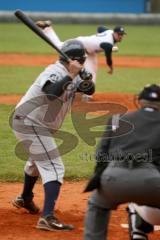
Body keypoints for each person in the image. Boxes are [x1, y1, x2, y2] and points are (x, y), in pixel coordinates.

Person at [11, 39, 95, 231]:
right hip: (30, 123)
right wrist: (73, 74)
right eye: (83, 61)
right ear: (77, 60)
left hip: (35, 123)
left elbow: (89, 90)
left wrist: (86, 80)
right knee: (54, 167)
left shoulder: (73, 74)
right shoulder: (54, 71)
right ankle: (47, 217)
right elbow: (50, 93)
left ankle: (25, 198)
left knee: (36, 164)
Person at [83, 84, 160, 240]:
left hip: (114, 179)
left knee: (97, 205)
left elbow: (101, 155)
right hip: (151, 183)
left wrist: (101, 182)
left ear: (140, 101)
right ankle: (141, 228)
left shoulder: (117, 120)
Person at [36, 21, 126, 101]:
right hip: (80, 44)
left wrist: (98, 38)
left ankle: (87, 95)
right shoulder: (108, 44)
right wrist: (110, 67)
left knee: (92, 70)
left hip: (91, 52)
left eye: (122, 34)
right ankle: (47, 28)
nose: (120, 36)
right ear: (114, 33)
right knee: (59, 47)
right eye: (119, 34)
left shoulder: (109, 33)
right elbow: (108, 58)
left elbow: (100, 28)